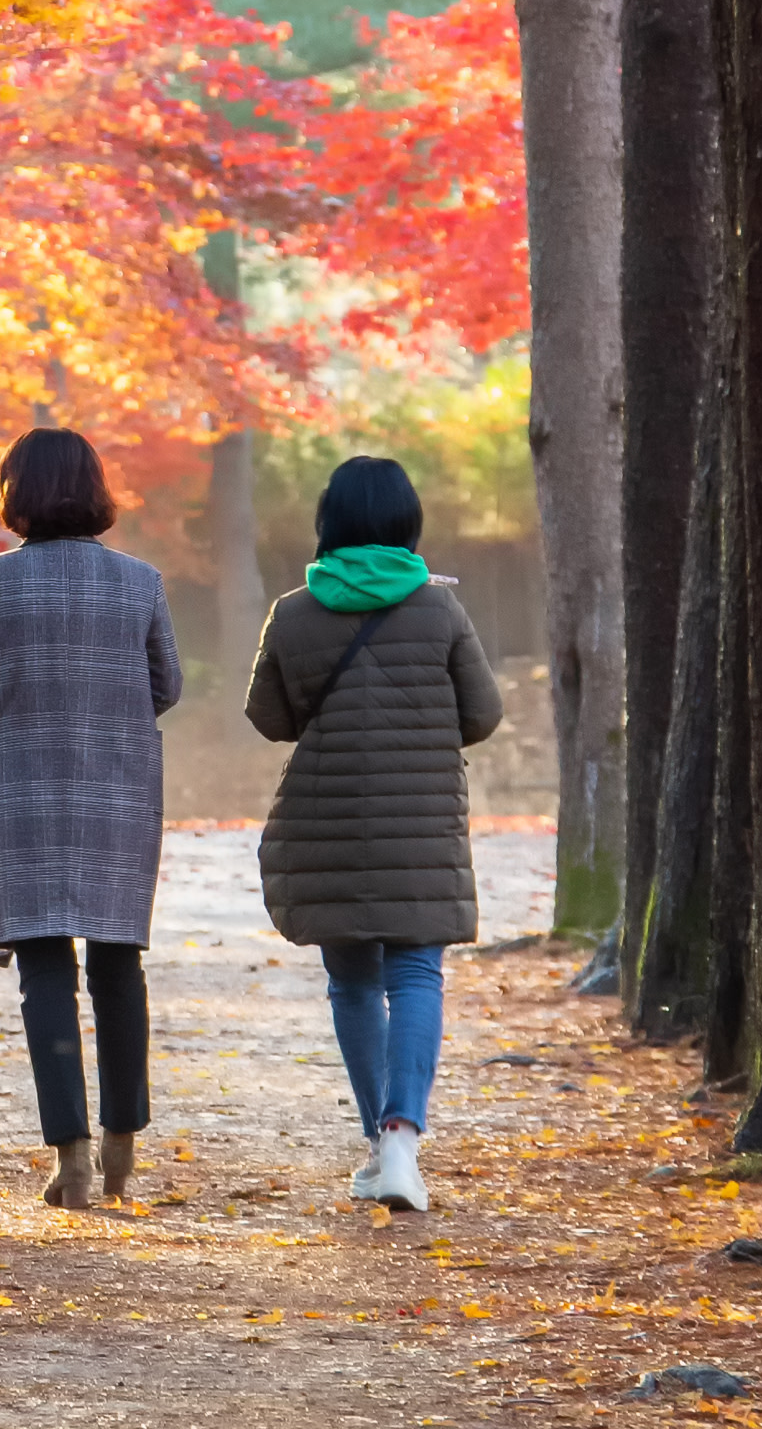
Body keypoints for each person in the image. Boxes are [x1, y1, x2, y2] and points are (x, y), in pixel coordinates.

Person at [0, 427, 181, 1210]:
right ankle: (122, 1145)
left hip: (25, 792)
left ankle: (69, 1157)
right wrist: (114, 715)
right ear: (95, 489)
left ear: (15, 493)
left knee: (43, 973)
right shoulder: (140, 582)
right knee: (117, 965)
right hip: (120, 789)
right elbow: (165, 683)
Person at [242, 454, 501, 1213]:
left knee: (351, 982)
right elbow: (482, 717)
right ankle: (400, 1143)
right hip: (421, 822)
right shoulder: (440, 609)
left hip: (327, 823)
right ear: (406, 522)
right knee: (416, 975)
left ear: (329, 520)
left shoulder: (293, 611)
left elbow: (269, 719)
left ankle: (375, 1145)